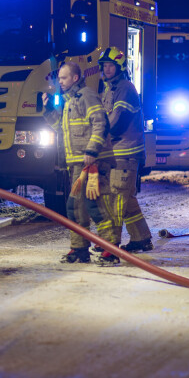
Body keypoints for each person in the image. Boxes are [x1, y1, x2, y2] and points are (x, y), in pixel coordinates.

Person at [43, 61, 120, 265]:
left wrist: (92, 150)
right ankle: (79, 249)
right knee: (75, 207)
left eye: (64, 78)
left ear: (75, 78)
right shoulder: (70, 101)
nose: (60, 81)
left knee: (96, 205)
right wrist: (48, 109)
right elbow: (60, 127)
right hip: (78, 163)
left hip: (92, 162)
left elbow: (100, 123)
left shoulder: (86, 95)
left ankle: (110, 249)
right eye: (59, 78)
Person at [96, 46, 153, 253]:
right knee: (127, 199)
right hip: (117, 151)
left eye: (111, 65)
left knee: (116, 198)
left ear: (119, 67)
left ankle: (111, 245)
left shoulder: (125, 88)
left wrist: (96, 137)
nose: (107, 69)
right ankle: (142, 238)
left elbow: (116, 121)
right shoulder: (109, 88)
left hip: (125, 153)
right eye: (105, 66)